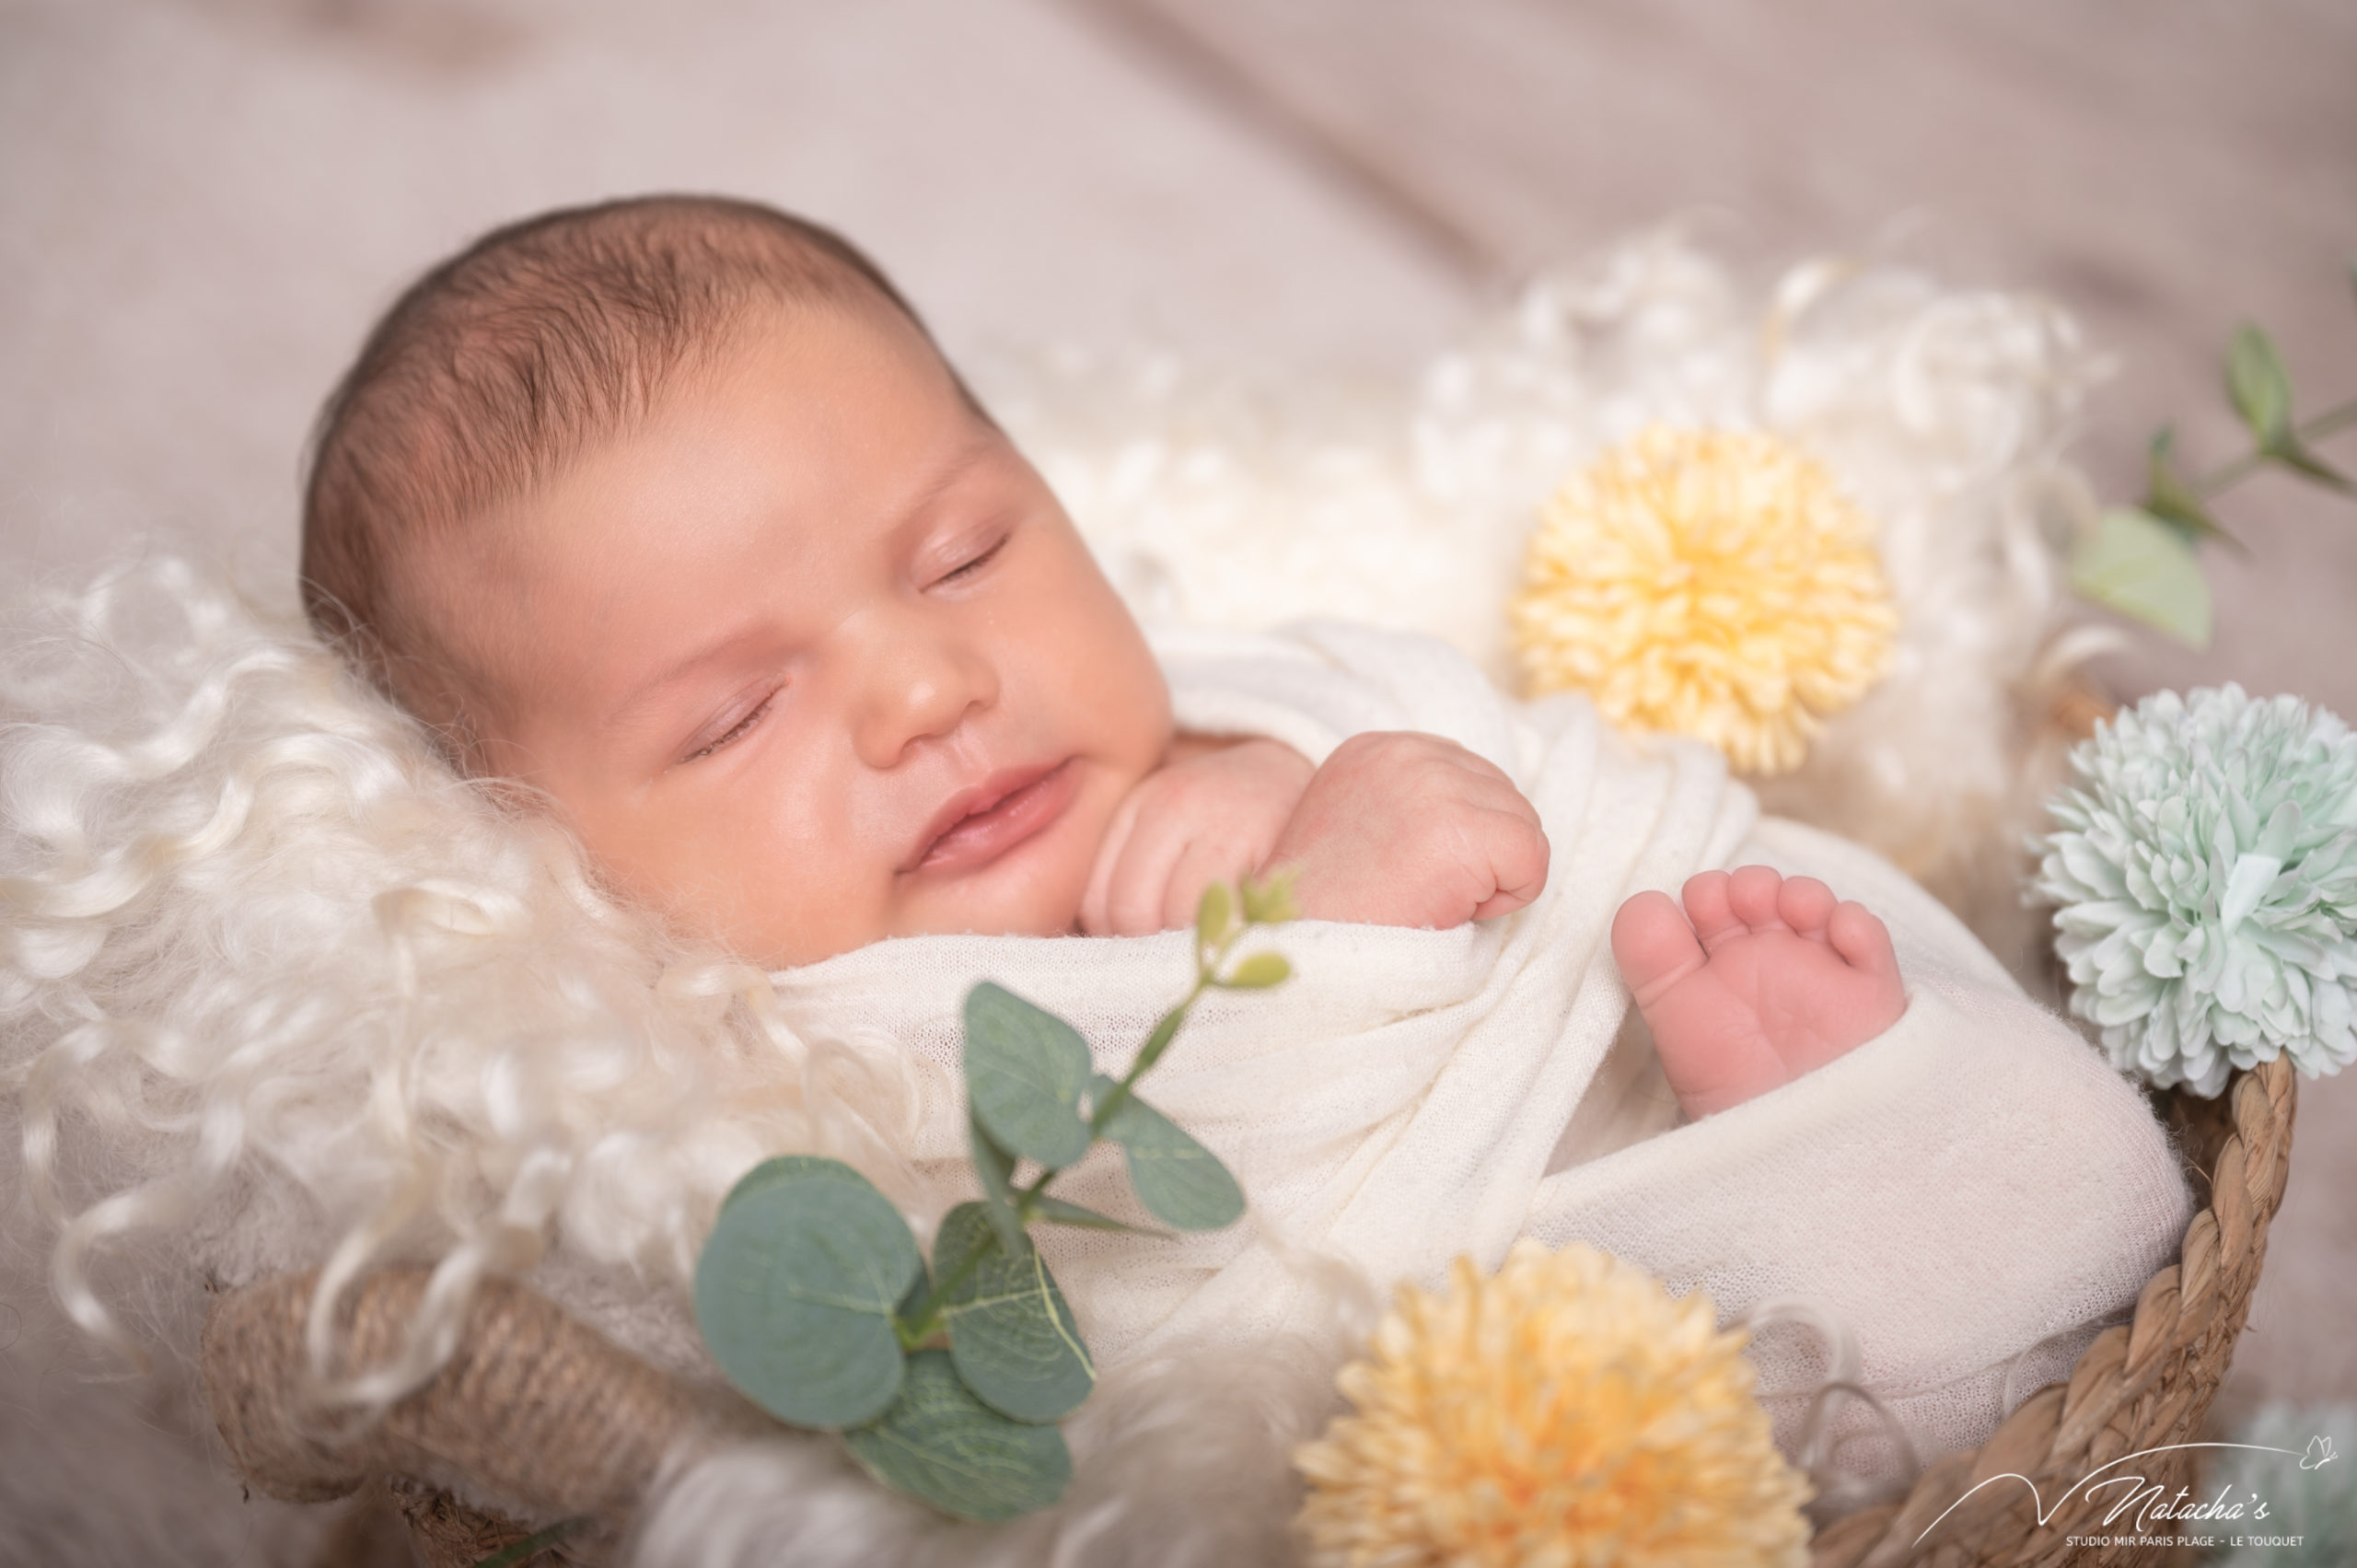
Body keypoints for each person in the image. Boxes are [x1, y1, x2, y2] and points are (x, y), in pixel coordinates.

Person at [300, 192, 1903, 1123]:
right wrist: (1303, 946)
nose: (930, 688)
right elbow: (1124, 1280)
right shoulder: (769, 1098)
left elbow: (1456, 731)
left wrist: (1288, 776)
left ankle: (1842, 1110)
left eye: (966, 557)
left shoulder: (1223, 713)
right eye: (736, 716)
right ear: (521, 848)